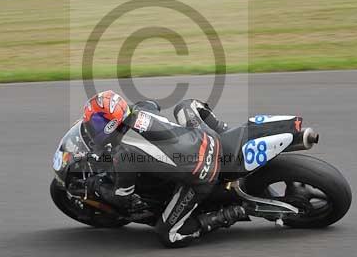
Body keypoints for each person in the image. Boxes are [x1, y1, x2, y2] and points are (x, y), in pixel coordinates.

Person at [80, 90, 248, 247]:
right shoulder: (141, 109)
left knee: (168, 234)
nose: (92, 127)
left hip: (202, 173)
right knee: (185, 106)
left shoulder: (123, 154)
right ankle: (225, 132)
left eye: (96, 122)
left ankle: (226, 215)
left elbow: (122, 196)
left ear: (109, 125)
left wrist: (96, 185)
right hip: (206, 137)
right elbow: (153, 103)